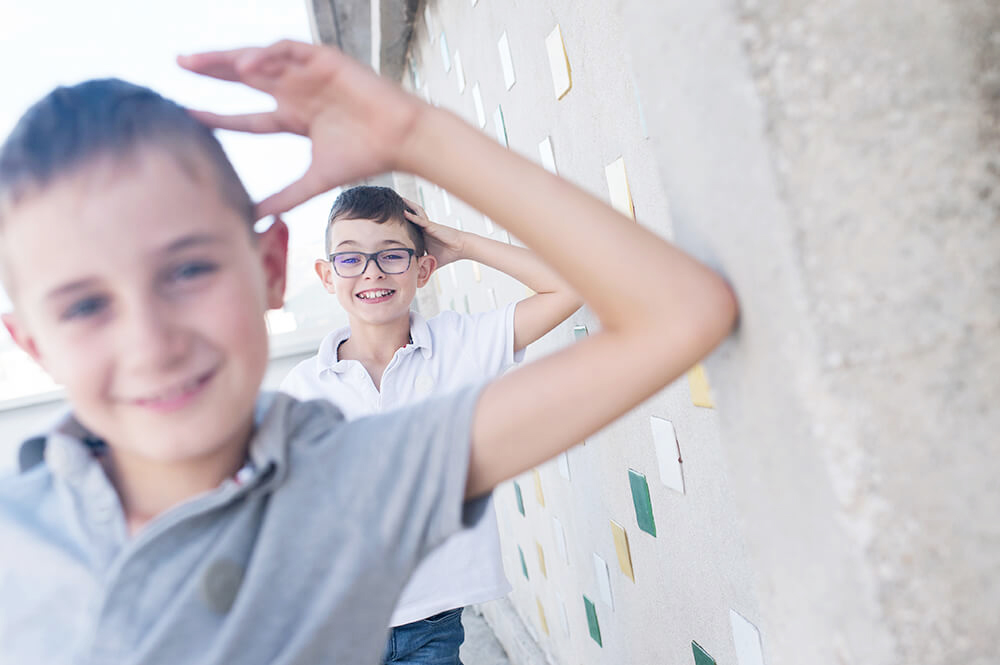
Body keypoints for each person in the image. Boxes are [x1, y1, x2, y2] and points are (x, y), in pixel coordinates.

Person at [0, 40, 737, 664]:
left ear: (269, 269)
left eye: (189, 269)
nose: (150, 343)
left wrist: (417, 135)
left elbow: (679, 311)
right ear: (30, 342)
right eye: (85, 305)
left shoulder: (359, 480)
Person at [279, 183, 580, 664]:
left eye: (391, 256)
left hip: (430, 624)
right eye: (350, 258)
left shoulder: (460, 345)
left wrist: (464, 244)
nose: (371, 272)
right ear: (327, 273)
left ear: (424, 270)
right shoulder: (303, 386)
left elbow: (569, 286)